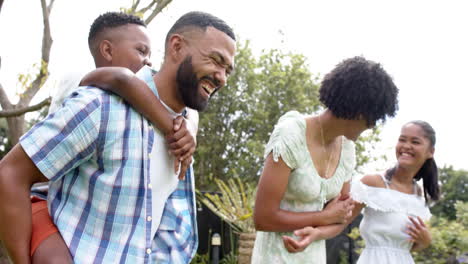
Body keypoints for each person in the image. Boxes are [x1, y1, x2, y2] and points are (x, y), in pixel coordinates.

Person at [0, 11, 236, 263]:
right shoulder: (100, 106)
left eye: (227, 70)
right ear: (176, 46)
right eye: (215, 59)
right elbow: (10, 174)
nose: (221, 76)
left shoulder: (184, 132)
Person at [251, 56, 399, 263]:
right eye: (373, 118)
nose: (372, 126)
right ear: (358, 112)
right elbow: (263, 218)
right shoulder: (291, 134)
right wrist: (322, 217)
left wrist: (317, 233)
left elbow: (341, 217)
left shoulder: (347, 151)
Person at [349, 120, 439, 263]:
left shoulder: (418, 193)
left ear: (430, 152)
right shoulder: (372, 182)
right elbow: (339, 222)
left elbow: (405, 244)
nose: (406, 146)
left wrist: (425, 241)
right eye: (402, 140)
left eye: (415, 142)